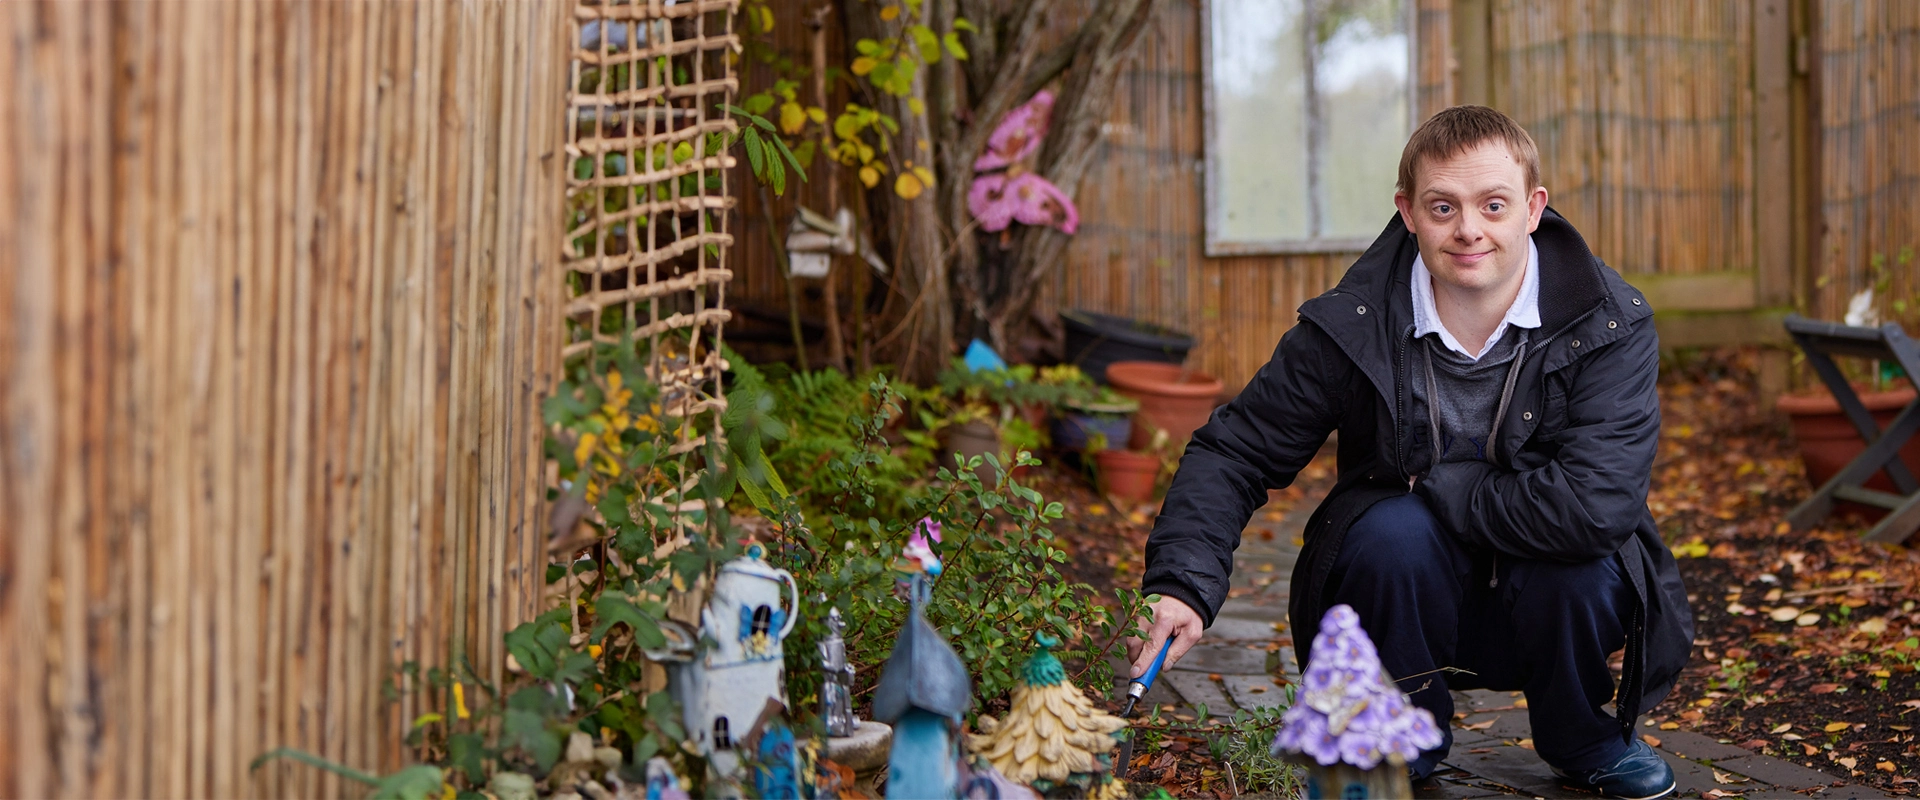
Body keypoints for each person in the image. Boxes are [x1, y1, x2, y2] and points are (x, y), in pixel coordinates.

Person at [1128, 105, 1694, 800]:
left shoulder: (1608, 322)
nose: (1468, 230)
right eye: (1442, 206)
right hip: (1405, 586)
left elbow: (1596, 504)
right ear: (1407, 212)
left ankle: (1581, 734)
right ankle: (1400, 734)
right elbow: (1236, 450)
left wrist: (1443, 486)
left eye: (1493, 204)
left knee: (1579, 562)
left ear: (1533, 209)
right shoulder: (1352, 323)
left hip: (1549, 588)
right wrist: (1183, 583)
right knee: (1389, 531)